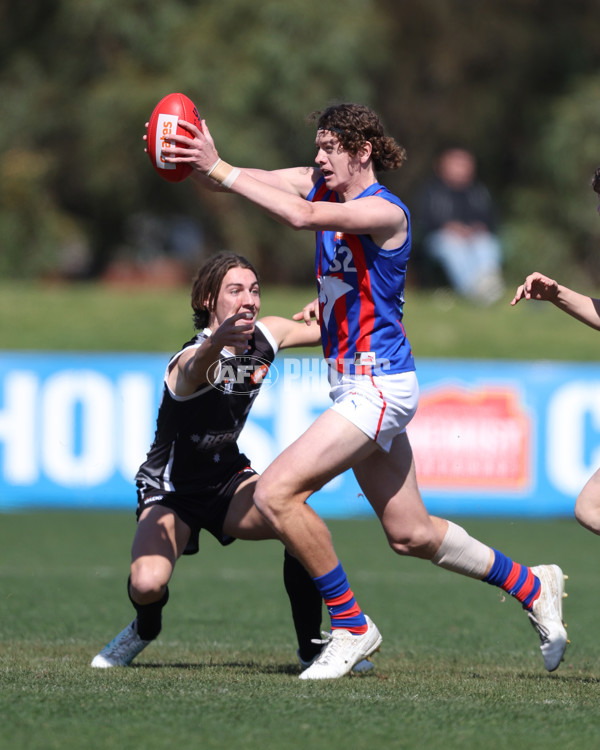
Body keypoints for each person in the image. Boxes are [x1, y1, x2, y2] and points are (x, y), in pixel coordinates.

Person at [160, 102, 568, 679]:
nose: (319, 157)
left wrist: (221, 170)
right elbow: (253, 185)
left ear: (363, 151)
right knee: (411, 533)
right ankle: (533, 583)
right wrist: (204, 162)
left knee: (276, 494)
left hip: (379, 386)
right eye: (319, 146)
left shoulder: (385, 211)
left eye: (330, 147)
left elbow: (300, 217)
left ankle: (352, 627)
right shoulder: (323, 184)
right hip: (357, 384)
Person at [91, 251, 373, 673]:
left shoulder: (267, 335)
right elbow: (196, 367)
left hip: (226, 480)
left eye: (254, 290)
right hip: (171, 490)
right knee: (148, 583)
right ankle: (145, 627)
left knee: (296, 521)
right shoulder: (189, 360)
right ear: (207, 299)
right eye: (235, 290)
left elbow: (336, 330)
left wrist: (328, 306)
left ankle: (312, 647)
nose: (249, 299)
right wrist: (219, 341)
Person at [414, 145, 505, 304]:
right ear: (442, 166)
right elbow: (423, 222)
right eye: (456, 163)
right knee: (453, 246)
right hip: (441, 239)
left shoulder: (478, 192)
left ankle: (489, 285)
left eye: (465, 164)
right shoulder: (430, 191)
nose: (461, 168)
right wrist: (448, 228)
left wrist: (477, 228)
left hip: (474, 238)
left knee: (485, 243)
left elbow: (491, 220)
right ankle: (472, 290)